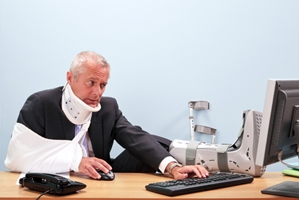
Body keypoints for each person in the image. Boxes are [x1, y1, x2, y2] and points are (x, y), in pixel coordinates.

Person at [4, 51, 209, 180]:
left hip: (101, 177)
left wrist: (172, 167)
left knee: (155, 143)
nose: (98, 92)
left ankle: (202, 168)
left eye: (102, 85)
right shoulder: (41, 103)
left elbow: (135, 137)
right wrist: (75, 160)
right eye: (91, 82)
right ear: (70, 77)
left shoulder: (107, 107)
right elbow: (18, 156)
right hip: (59, 180)